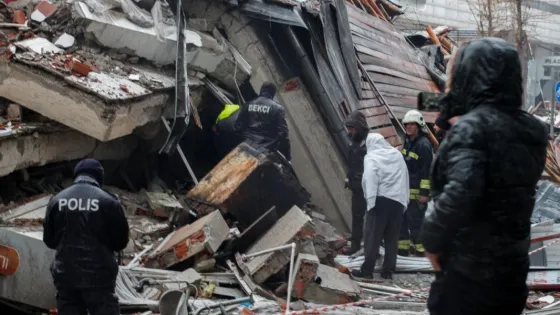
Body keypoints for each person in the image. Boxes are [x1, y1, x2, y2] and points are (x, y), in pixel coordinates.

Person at [421, 38, 549, 315]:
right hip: (512, 273)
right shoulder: (532, 132)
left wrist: (431, 240)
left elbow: (461, 193)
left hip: (467, 277)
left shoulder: (473, 129)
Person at [43, 159, 130, 315]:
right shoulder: (109, 202)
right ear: (99, 177)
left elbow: (49, 241)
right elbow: (121, 242)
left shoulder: (56, 200)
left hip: (66, 276)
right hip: (100, 278)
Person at [350, 133, 409, 280]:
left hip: (379, 201)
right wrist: (404, 201)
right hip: (397, 202)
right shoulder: (397, 155)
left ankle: (367, 271)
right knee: (391, 238)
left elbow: (369, 178)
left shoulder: (371, 157)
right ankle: (388, 271)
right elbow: (404, 177)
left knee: (372, 237)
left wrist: (370, 202)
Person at [399, 109, 433, 257]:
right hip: (405, 190)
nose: (408, 127)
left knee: (416, 223)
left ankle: (421, 253)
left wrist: (424, 193)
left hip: (417, 193)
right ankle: (402, 249)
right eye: (407, 124)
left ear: (419, 126)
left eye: (412, 124)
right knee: (402, 220)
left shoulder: (424, 145)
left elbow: (427, 172)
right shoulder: (408, 141)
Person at [234, 82, 291, 161]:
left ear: (261, 91)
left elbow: (237, 127)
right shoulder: (277, 109)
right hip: (263, 152)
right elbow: (283, 135)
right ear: (273, 93)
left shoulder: (248, 104)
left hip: (245, 147)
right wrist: (287, 156)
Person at [343, 111, 369, 255]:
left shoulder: (369, 142)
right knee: (357, 216)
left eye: (352, 128)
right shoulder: (353, 142)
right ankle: (355, 245)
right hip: (356, 185)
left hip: (368, 185)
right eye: (349, 128)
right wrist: (348, 178)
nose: (350, 131)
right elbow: (351, 163)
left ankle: (375, 245)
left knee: (372, 217)